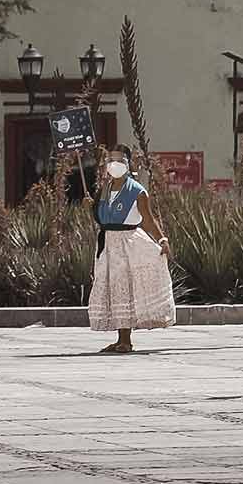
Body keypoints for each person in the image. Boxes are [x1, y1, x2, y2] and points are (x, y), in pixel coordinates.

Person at [88, 151, 175, 353]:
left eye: (119, 160)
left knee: (124, 286)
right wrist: (90, 207)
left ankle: (126, 340)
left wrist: (162, 239)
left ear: (127, 164)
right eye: (111, 160)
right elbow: (104, 218)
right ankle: (120, 338)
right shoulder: (104, 189)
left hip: (128, 243)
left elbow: (147, 218)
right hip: (108, 243)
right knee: (114, 287)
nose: (114, 164)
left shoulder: (137, 191)